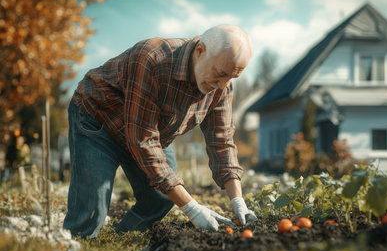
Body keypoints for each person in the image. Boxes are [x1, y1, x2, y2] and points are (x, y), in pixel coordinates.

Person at [63, 24, 257, 238]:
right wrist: (191, 208)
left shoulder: (222, 87)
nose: (223, 85)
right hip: (99, 119)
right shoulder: (152, 58)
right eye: (220, 74)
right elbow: (142, 141)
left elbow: (222, 142)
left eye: (231, 77)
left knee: (162, 199)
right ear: (200, 51)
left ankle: (121, 239)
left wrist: (238, 201)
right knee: (90, 215)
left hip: (147, 131)